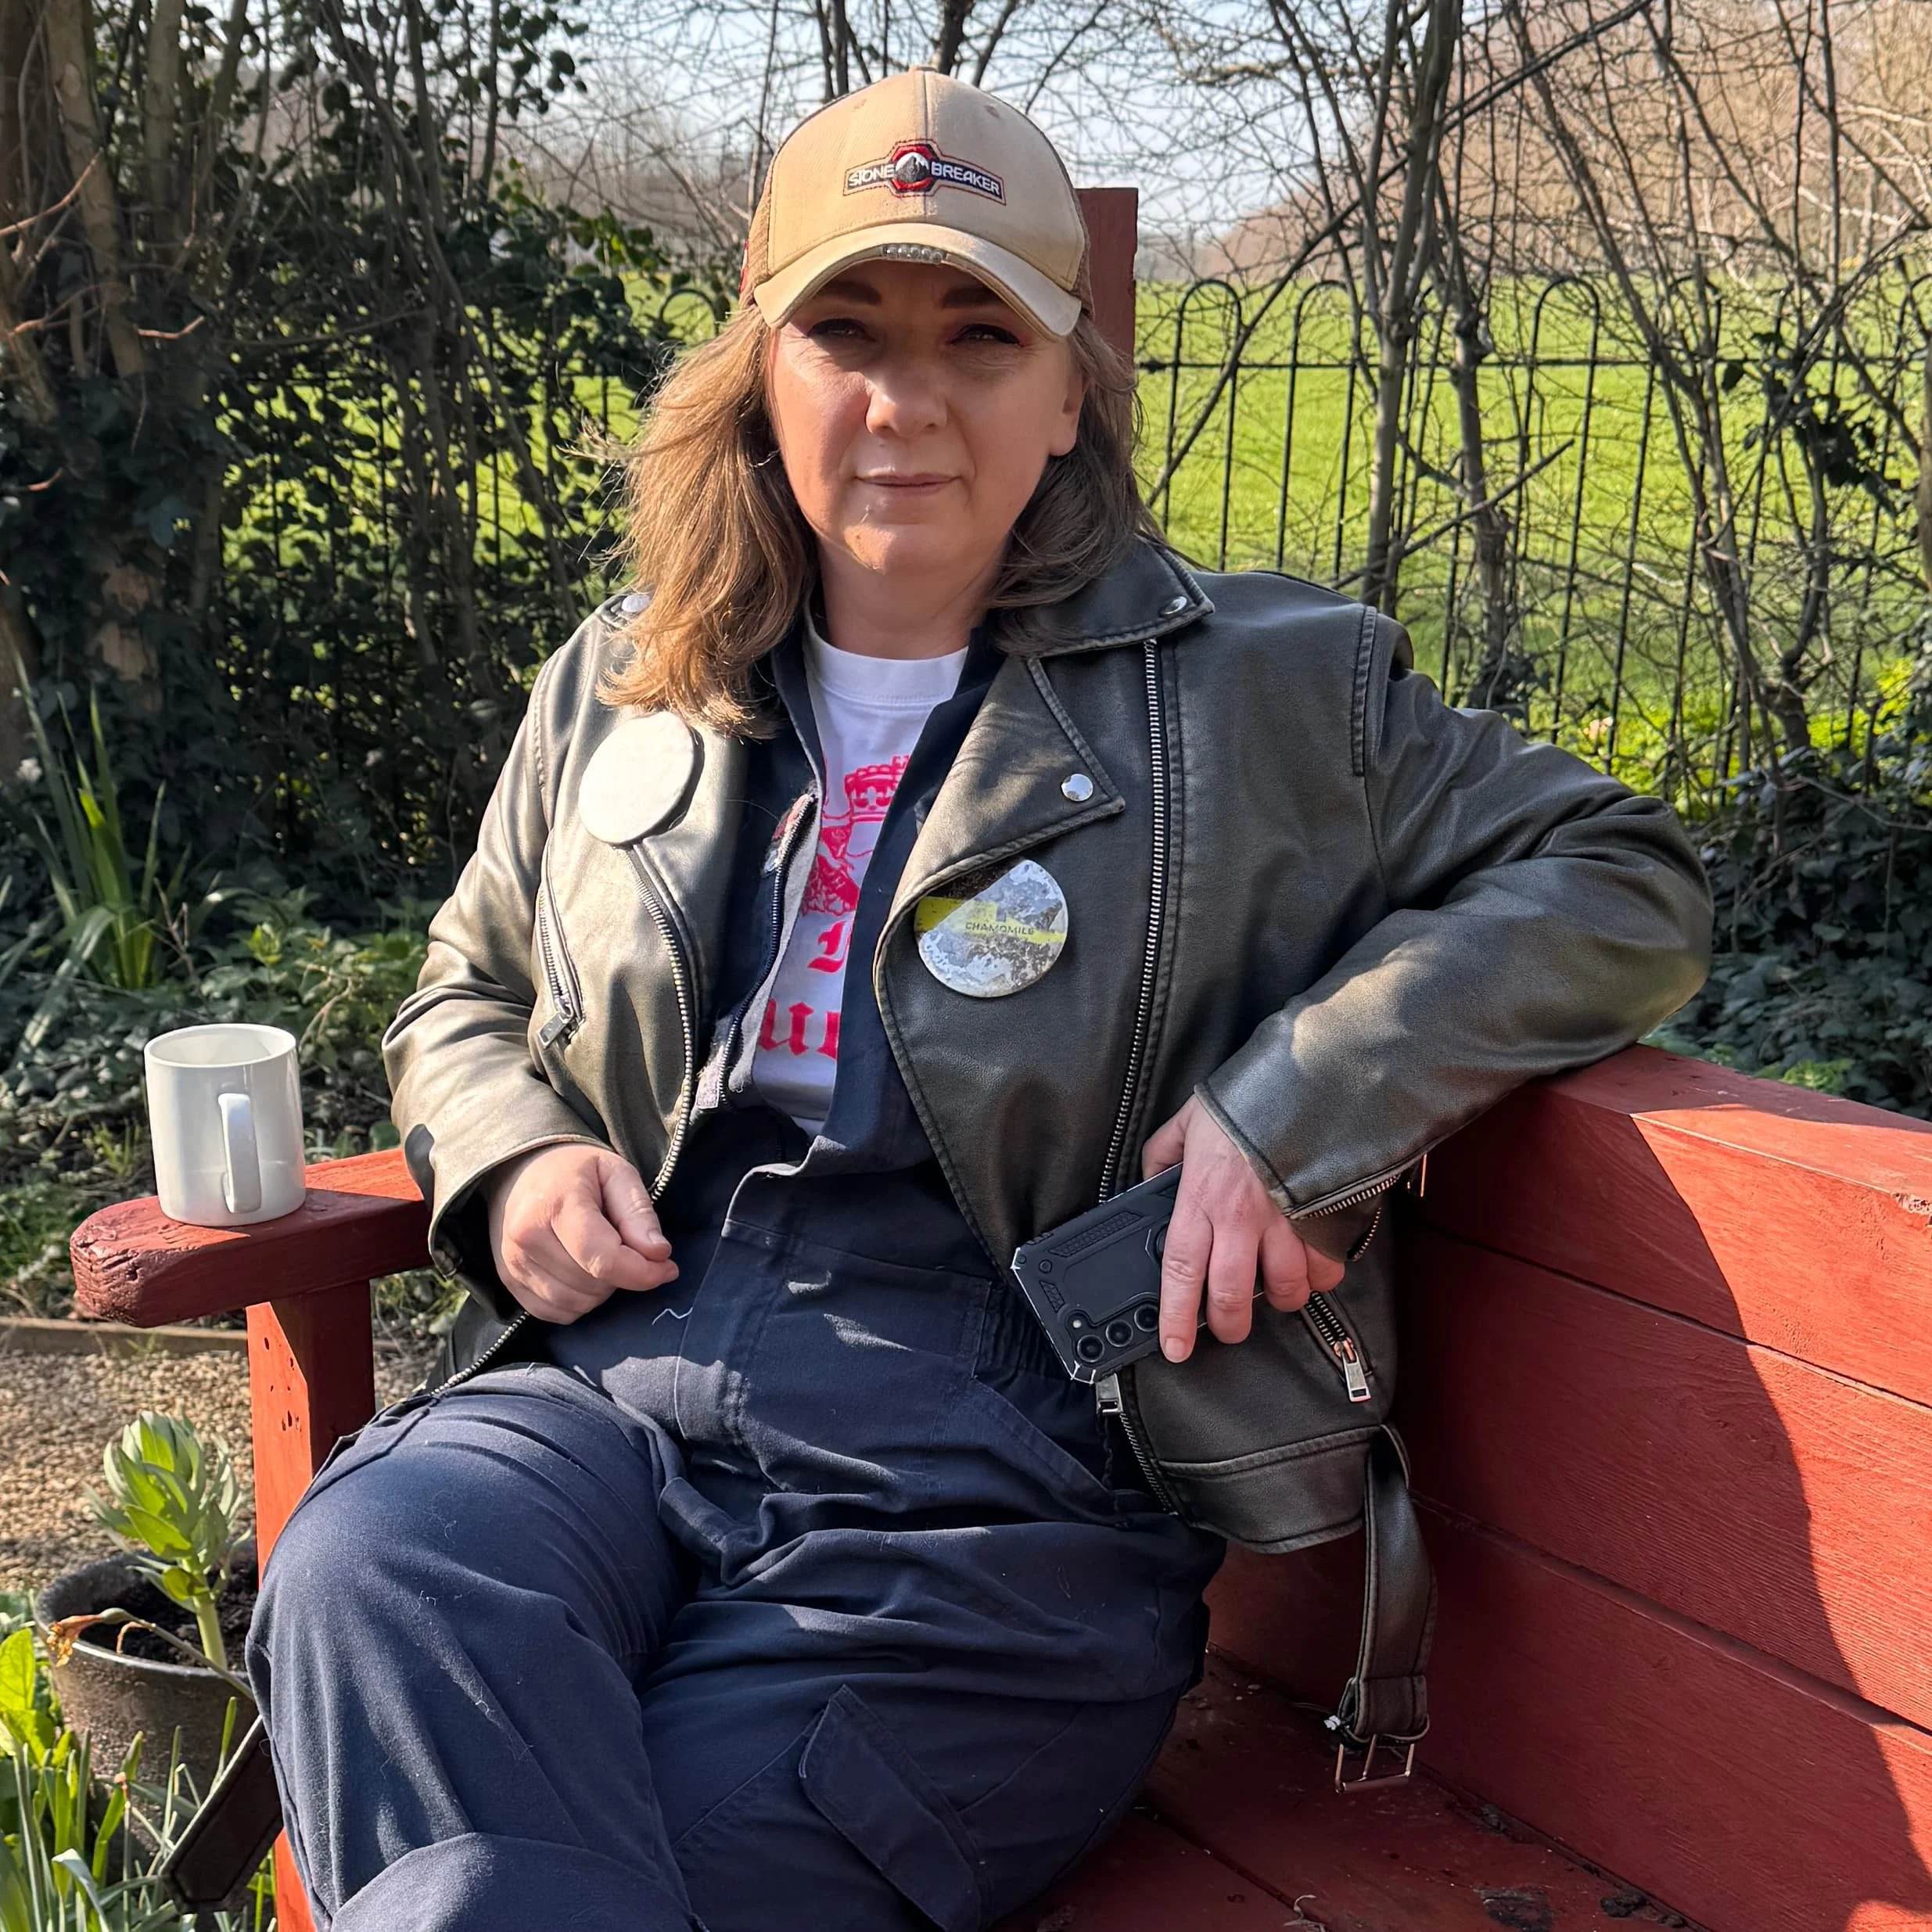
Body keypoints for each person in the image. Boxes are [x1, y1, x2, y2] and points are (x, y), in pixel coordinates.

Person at [246, 67, 1711, 1932]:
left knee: (562, 1886)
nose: (902, 400)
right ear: (759, 366)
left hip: (999, 1479)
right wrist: (517, 1147)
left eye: (976, 333)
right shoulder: (623, 673)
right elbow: (469, 983)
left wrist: (1297, 1105)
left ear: (1069, 384)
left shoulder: (1274, 691)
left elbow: (1619, 873)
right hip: (611, 1378)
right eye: (845, 329)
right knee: (379, 1553)